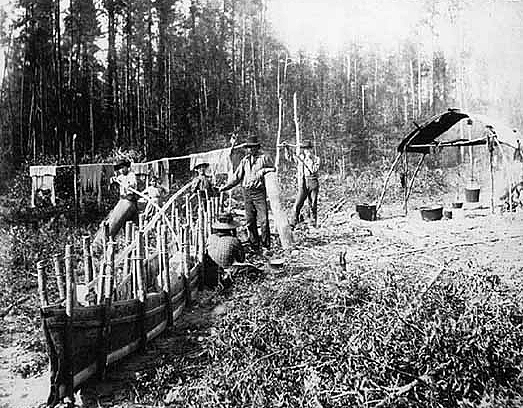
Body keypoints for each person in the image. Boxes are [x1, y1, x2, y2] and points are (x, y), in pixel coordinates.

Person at [218, 135, 275, 254]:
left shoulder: (264, 159)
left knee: (264, 220)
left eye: (252, 147)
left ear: (257, 148)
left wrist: (263, 171)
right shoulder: (244, 161)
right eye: (248, 147)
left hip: (259, 192)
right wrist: (224, 187)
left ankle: (266, 246)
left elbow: (273, 169)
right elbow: (236, 178)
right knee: (250, 221)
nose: (250, 150)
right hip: (247, 193)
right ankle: (254, 245)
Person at [205, 212, 245, 288]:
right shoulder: (234, 240)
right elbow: (241, 259)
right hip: (225, 274)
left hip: (210, 274)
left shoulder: (211, 238)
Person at [289, 140, 320, 227]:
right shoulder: (300, 157)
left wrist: (309, 159)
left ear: (311, 149)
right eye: (305, 149)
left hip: (313, 182)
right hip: (303, 182)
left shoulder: (316, 159)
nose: (306, 150)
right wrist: (287, 149)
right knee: (298, 202)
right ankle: (293, 221)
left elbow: (314, 170)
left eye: (308, 149)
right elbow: (290, 158)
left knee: (312, 204)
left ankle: (313, 222)